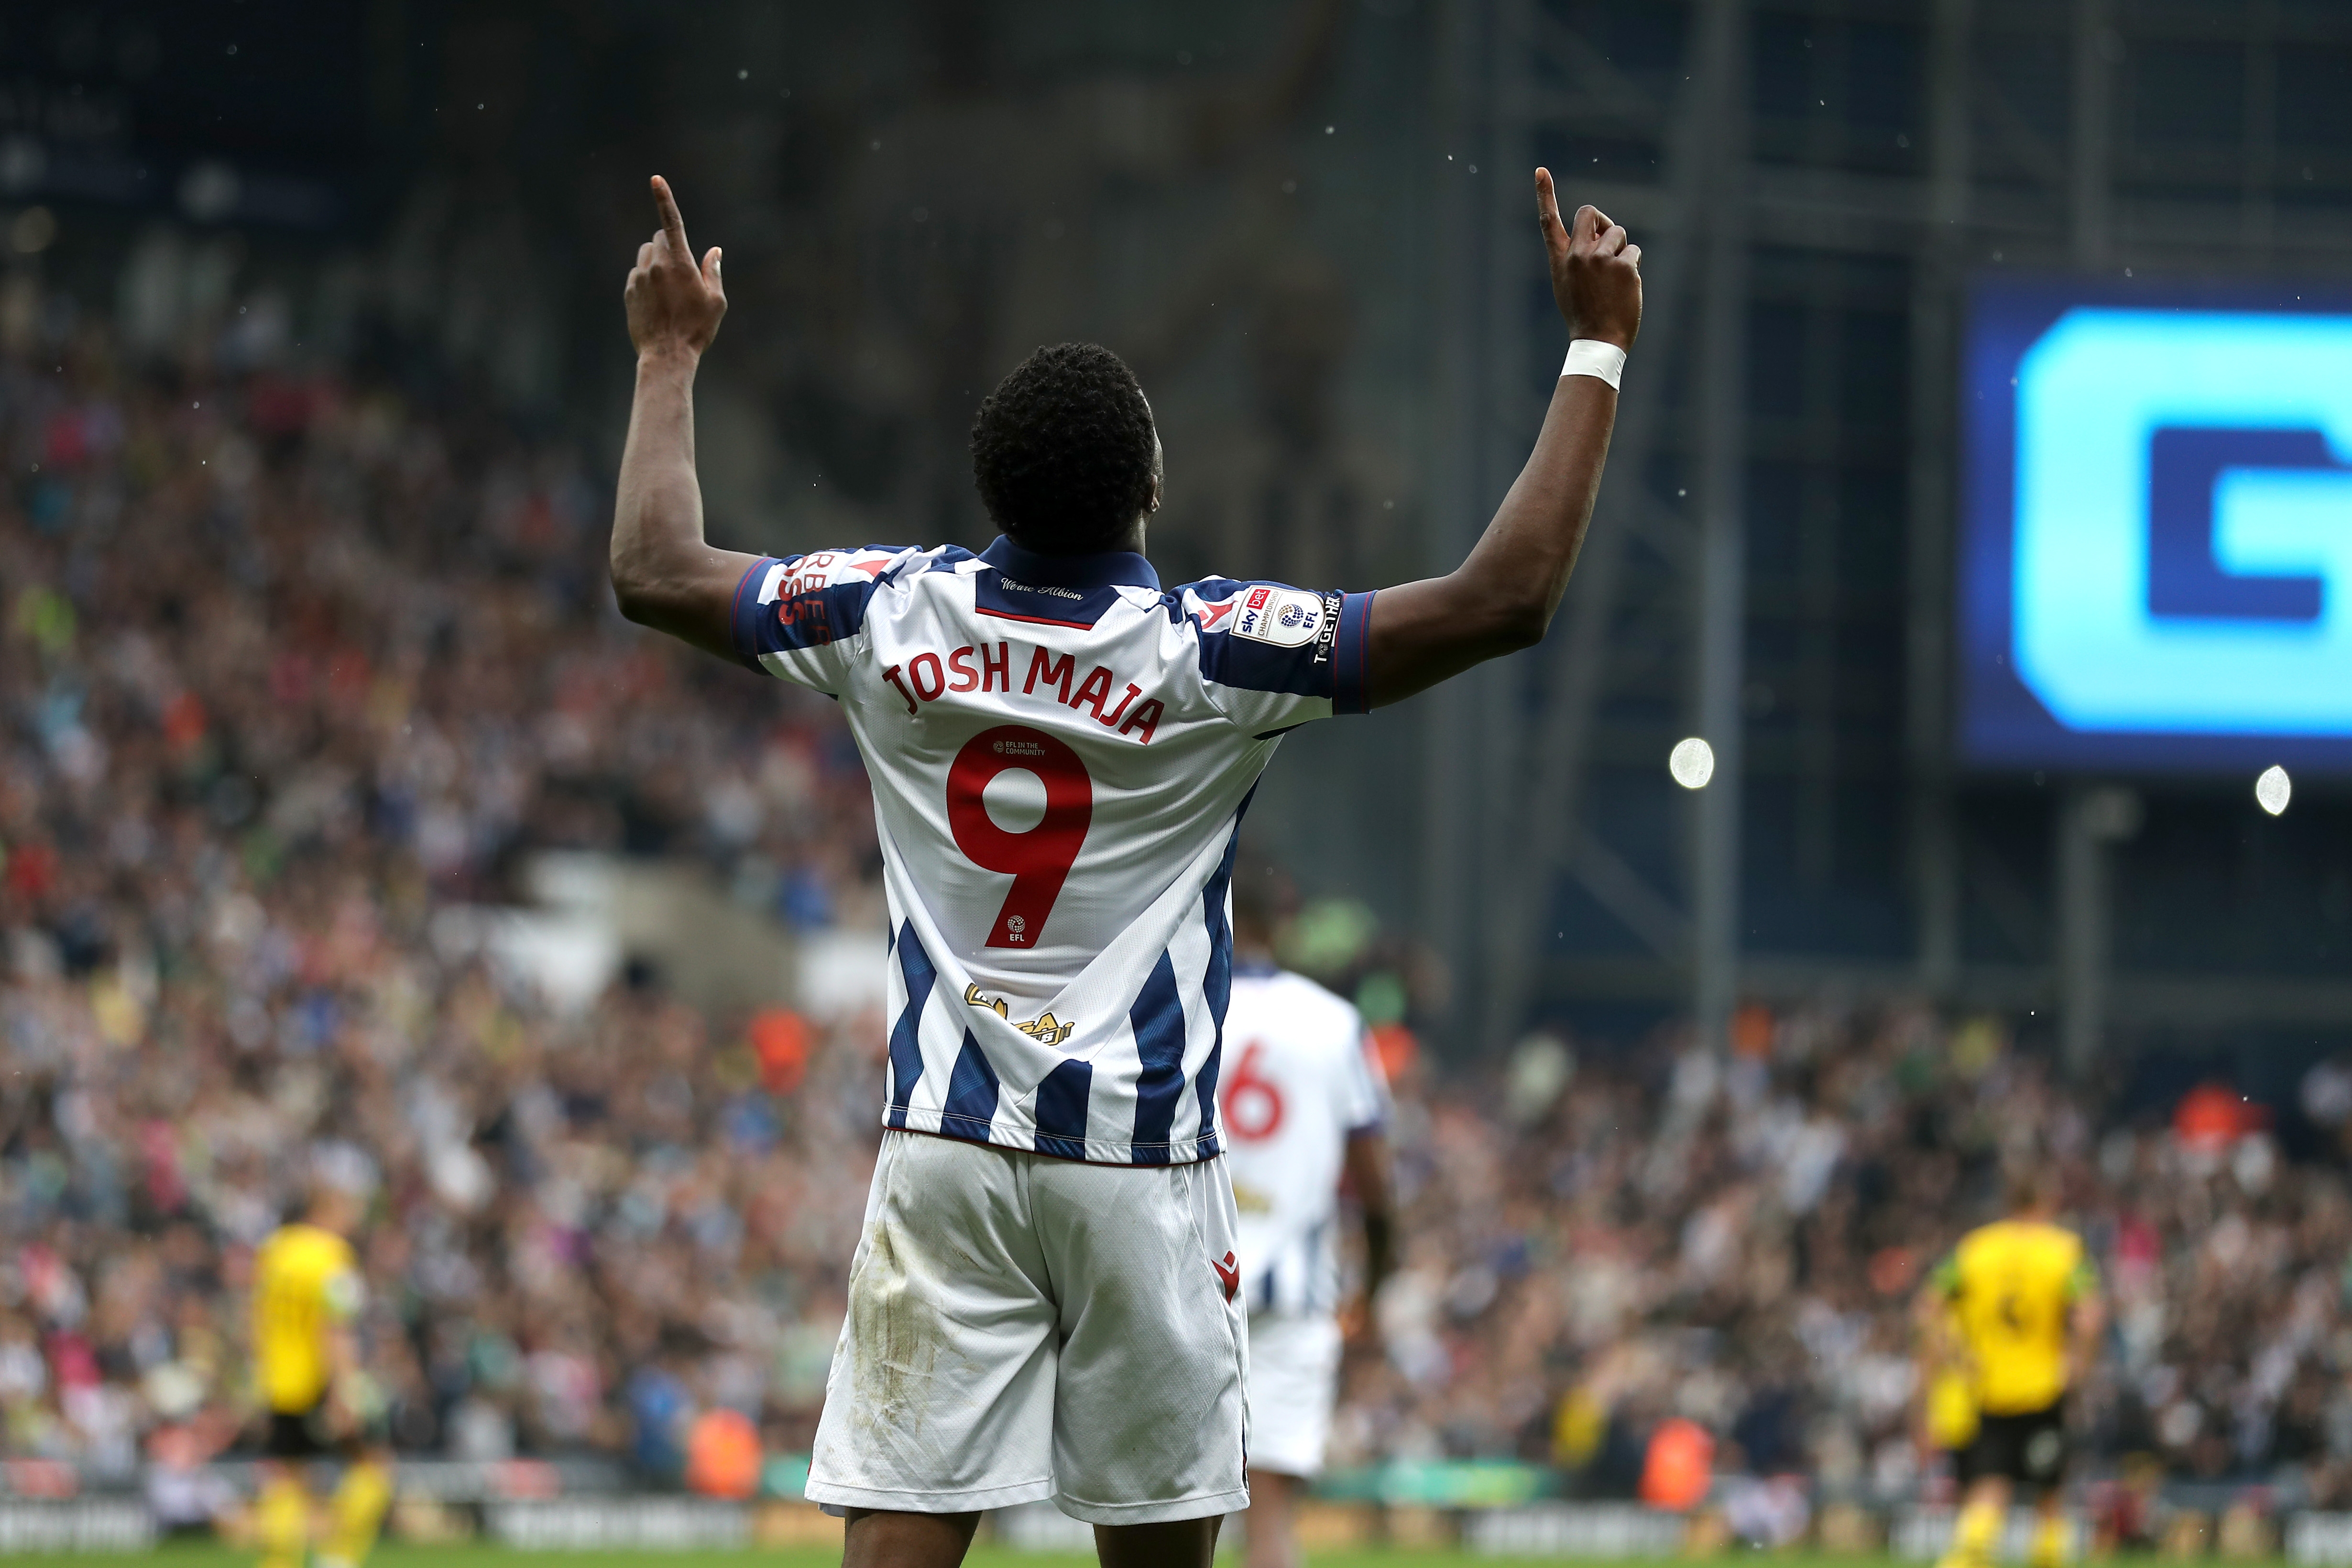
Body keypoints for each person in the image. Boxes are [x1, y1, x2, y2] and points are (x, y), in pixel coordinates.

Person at [610, 168, 1641, 1568]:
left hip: (948, 1149)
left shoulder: (884, 614)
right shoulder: (1211, 651)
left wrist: (669, 354)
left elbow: (656, 566)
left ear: (991, 485)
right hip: (1140, 1164)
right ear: (1152, 486)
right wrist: (1596, 347)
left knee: (899, 1543)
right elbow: (1499, 598)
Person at [1216, 865, 1394, 1568]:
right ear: (1285, 923)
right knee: (1270, 1526)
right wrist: (1372, 1290)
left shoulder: (1181, 1004)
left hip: (1184, 1285)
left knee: (1177, 1512)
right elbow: (1377, 1186)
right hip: (1293, 1295)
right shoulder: (1334, 1022)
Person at [1916, 1171, 2105, 1568]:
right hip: (2044, 1386)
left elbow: (1927, 1308)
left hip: (1988, 1385)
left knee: (1989, 1484)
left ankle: (1965, 1560)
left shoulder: (1975, 1248)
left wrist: (1955, 1353)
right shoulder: (2064, 1250)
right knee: (2049, 1490)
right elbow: (2090, 1317)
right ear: (2046, 1203)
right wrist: (2079, 1365)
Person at [250, 1186, 393, 1568]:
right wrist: (343, 1390)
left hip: (279, 1381)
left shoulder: (275, 1251)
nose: (351, 1219)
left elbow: (259, 1317)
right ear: (324, 1207)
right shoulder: (331, 1254)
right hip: (319, 1379)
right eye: (346, 1207)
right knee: (373, 1466)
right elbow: (335, 1326)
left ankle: (280, 1562)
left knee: (287, 1474)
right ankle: (338, 1556)